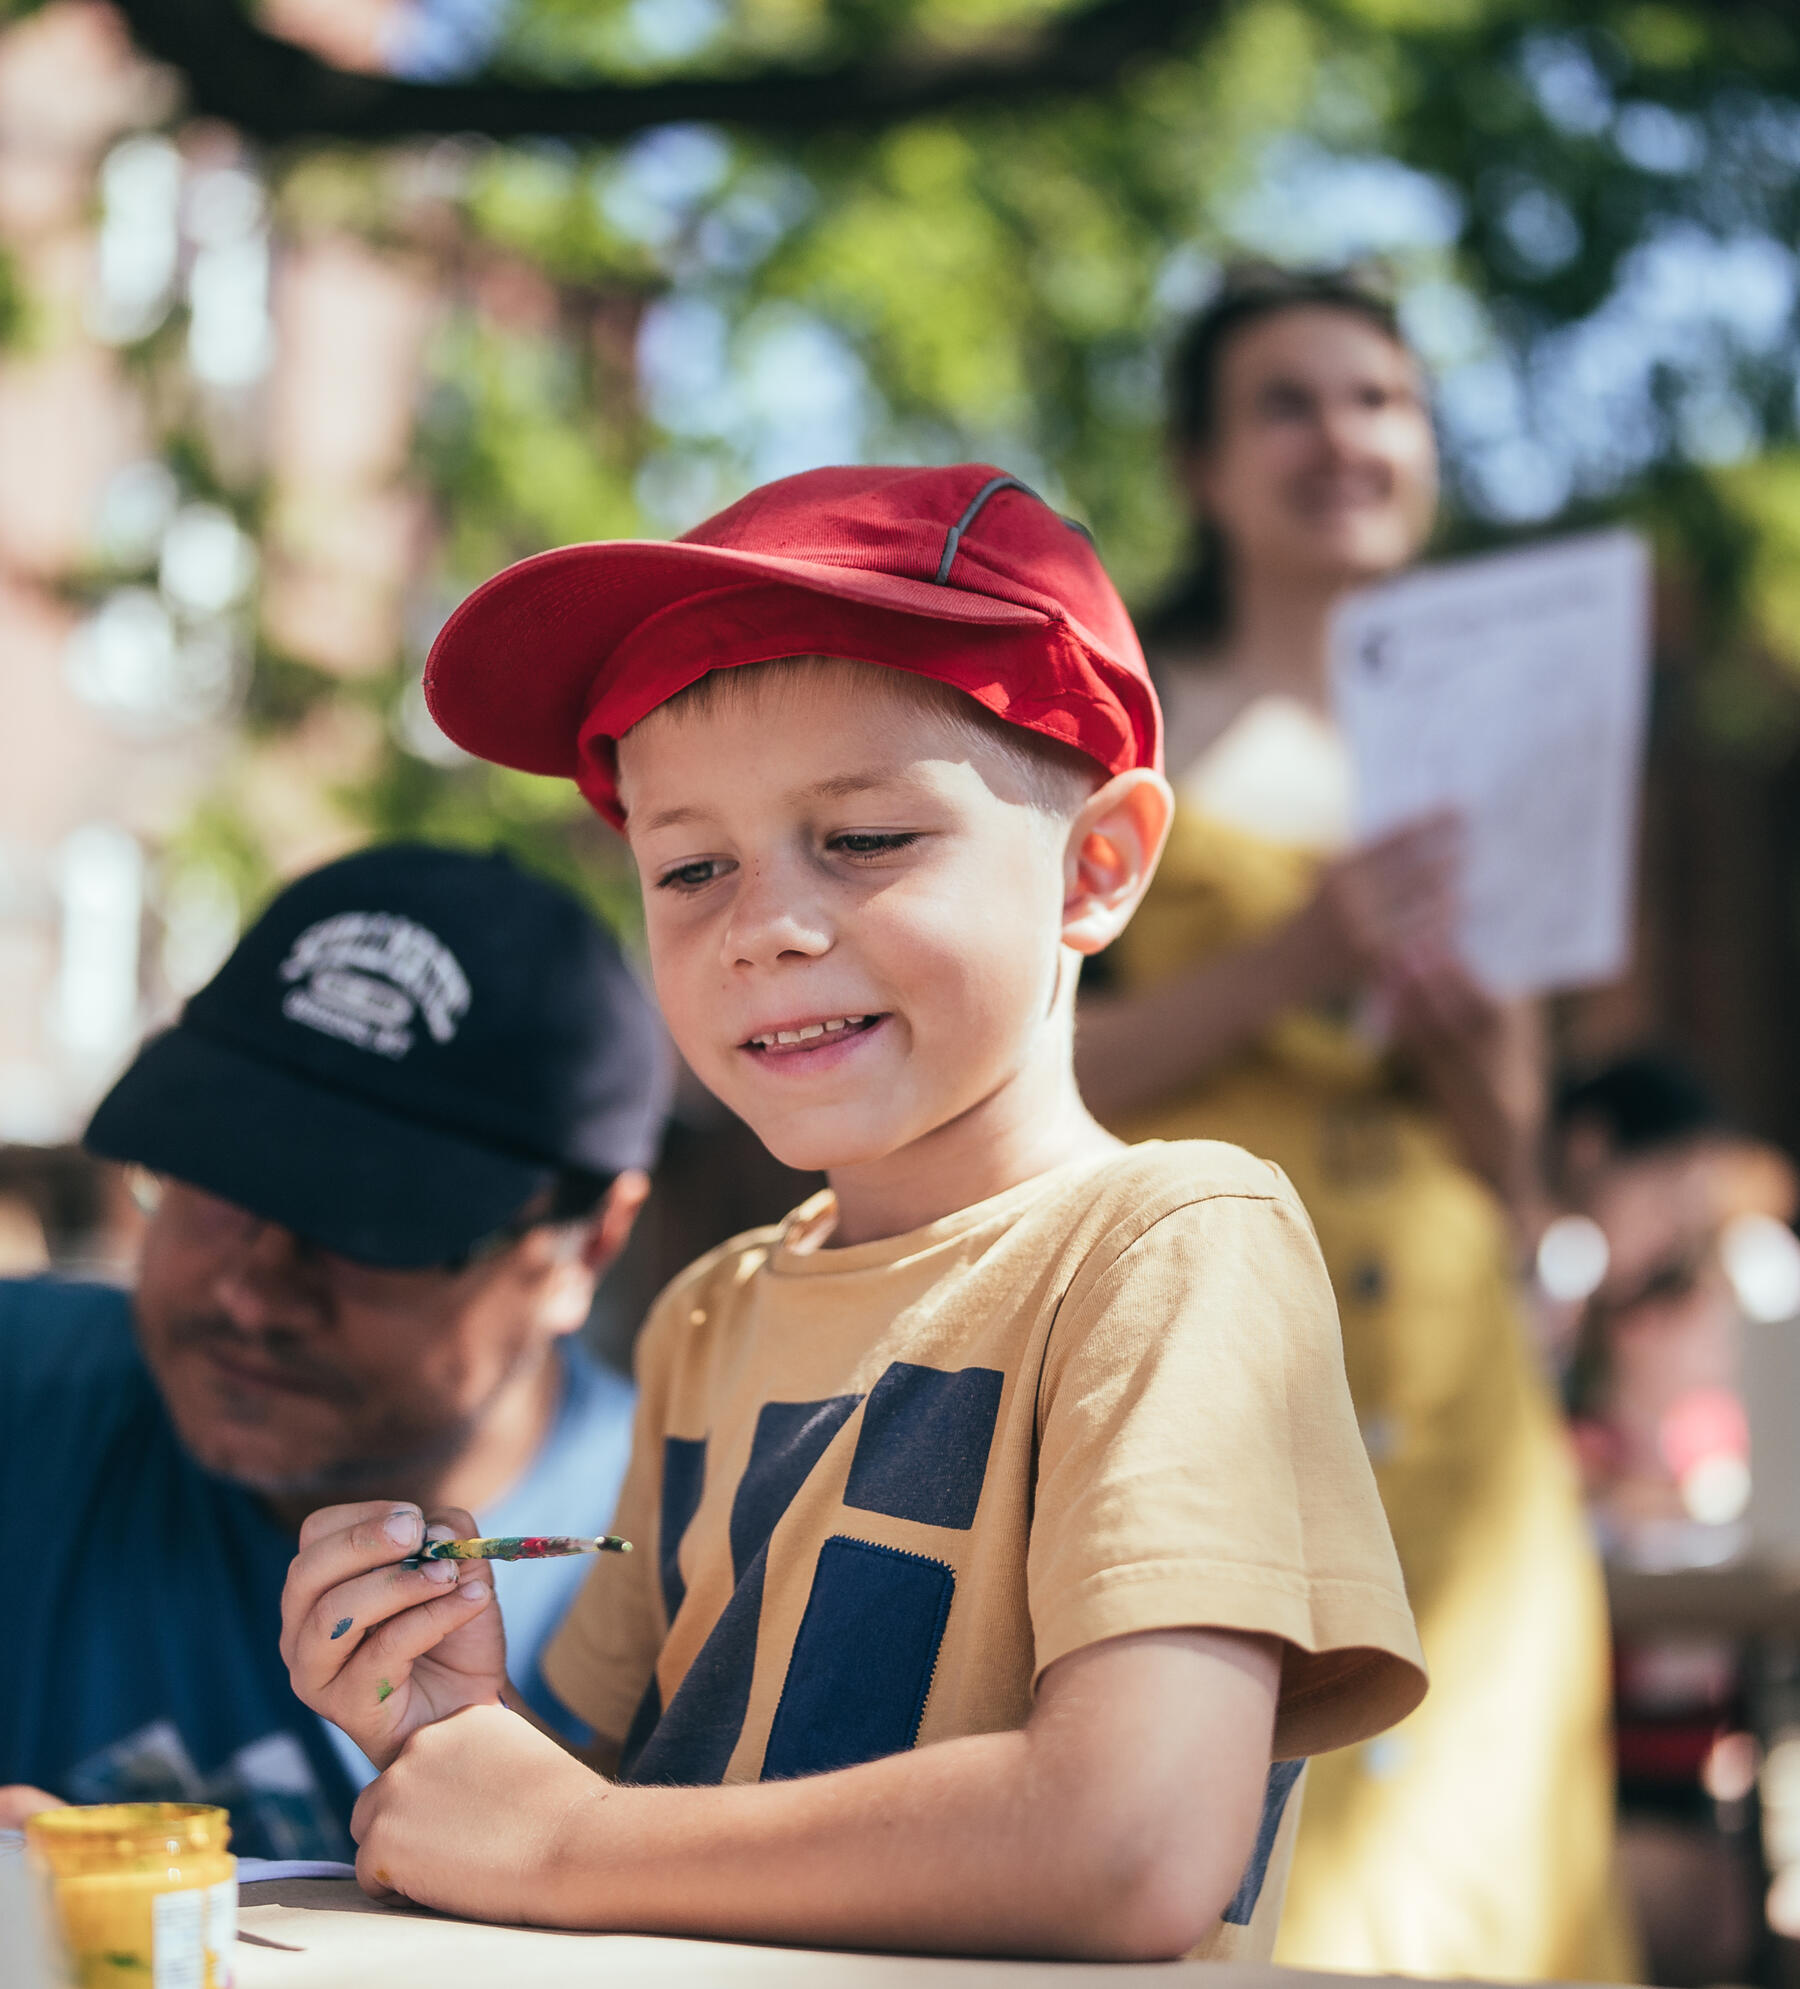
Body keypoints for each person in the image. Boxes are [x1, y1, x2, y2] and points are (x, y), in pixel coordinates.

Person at [278, 462, 1425, 1961]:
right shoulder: (710, 1312)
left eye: (867, 838)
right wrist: (461, 1730)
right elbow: (646, 1828)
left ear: (1098, 865)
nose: (766, 926)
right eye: (690, 865)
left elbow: (1131, 1841)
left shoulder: (1174, 1244)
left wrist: (565, 1841)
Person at [1075, 266, 1634, 1979]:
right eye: (1289, 401)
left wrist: (1474, 1045)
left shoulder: (1501, 727)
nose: (1346, 438)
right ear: (1199, 464)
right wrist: (1303, 953)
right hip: (1211, 1376)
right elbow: (1044, 1076)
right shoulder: (1123, 717)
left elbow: (1515, 1159)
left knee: (1484, 1870)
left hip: (1460, 1404)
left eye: (1382, 400)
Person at [0, 843, 668, 1858]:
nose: (253, 1292)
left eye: (365, 1228)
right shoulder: (24, 1400)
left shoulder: (703, 1568)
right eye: (216, 1186)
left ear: (590, 1244)